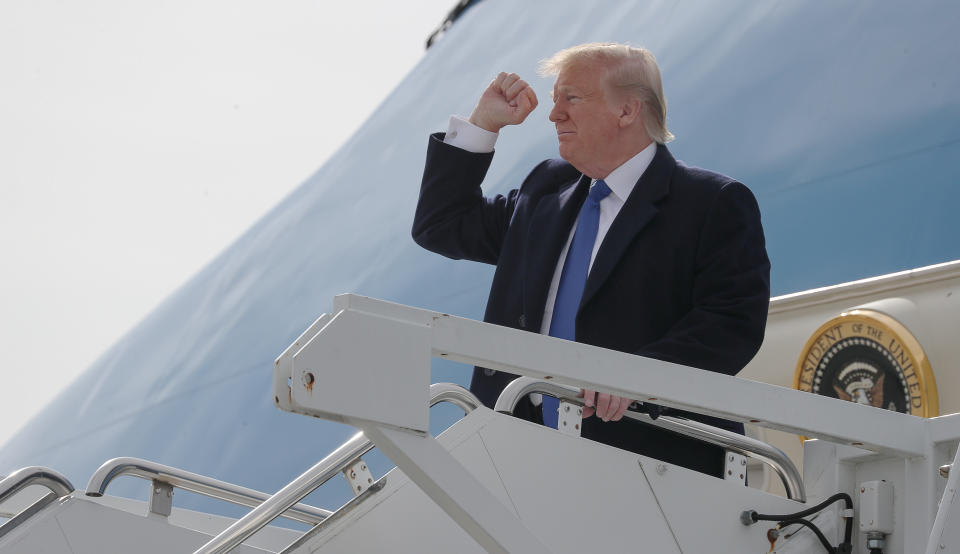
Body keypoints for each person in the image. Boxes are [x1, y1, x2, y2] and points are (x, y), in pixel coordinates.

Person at [412, 43, 770, 477]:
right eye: (555, 99)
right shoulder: (545, 190)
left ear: (627, 111)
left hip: (649, 467)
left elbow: (731, 321)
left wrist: (638, 377)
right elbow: (441, 225)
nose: (553, 114)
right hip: (514, 458)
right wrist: (483, 124)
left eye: (572, 99)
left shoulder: (711, 203)